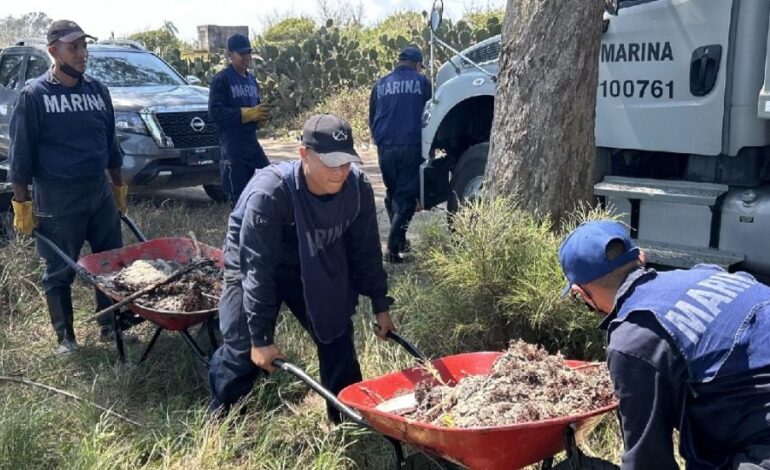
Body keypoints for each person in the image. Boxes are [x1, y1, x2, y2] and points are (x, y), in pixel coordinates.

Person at [208, 113, 396, 422]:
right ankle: (221, 413)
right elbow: (256, 270)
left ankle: (347, 419)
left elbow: (366, 252)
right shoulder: (270, 194)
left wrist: (380, 306)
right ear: (304, 155)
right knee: (243, 349)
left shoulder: (357, 188)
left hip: (312, 255)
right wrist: (260, 340)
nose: (341, 171)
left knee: (336, 335)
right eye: (331, 162)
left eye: (346, 161)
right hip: (254, 260)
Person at [559, 220, 770, 469]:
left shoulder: (634, 336)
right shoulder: (707, 273)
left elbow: (647, 460)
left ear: (581, 293)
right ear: (641, 257)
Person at [8, 20, 130, 354]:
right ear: (53, 51)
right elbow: (21, 155)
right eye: (73, 47)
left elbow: (110, 145)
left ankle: (110, 326)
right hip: (58, 197)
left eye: (83, 46)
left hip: (98, 191)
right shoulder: (35, 96)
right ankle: (66, 339)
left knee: (109, 263)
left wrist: (117, 188)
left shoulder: (97, 91)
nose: (81, 54)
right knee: (60, 270)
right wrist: (22, 203)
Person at [369, 45, 431, 263]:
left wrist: (379, 140)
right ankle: (392, 248)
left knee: (392, 193)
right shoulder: (422, 82)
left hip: (385, 146)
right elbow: (430, 112)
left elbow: (372, 116)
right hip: (410, 145)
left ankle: (401, 240)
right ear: (416, 64)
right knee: (407, 197)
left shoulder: (380, 84)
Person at [208, 33, 270, 207]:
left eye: (248, 53)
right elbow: (215, 113)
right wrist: (244, 115)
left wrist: (261, 118)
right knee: (239, 201)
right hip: (232, 149)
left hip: (251, 145)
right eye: (242, 54)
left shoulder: (252, 80)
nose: (247, 57)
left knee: (270, 180)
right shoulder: (222, 79)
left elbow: (256, 107)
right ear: (230, 55)